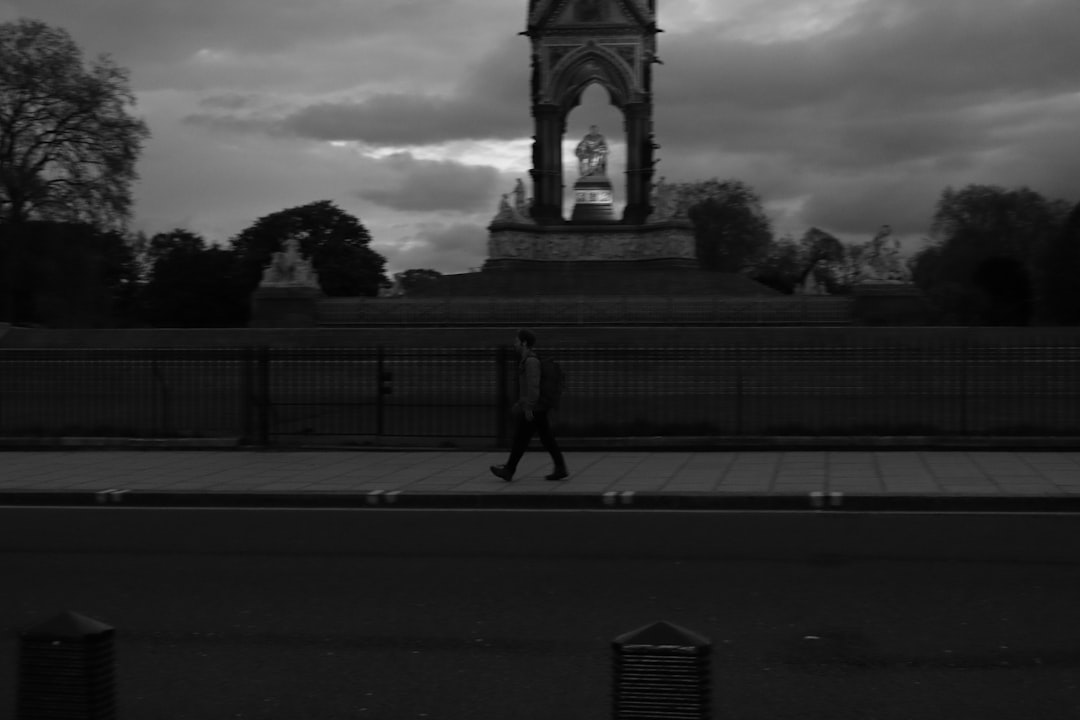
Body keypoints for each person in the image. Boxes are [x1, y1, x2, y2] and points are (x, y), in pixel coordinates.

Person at [490, 329, 569, 482]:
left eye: (516, 341)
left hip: (534, 408)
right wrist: (521, 403)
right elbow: (528, 388)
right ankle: (560, 468)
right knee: (544, 438)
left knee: (522, 438)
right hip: (535, 407)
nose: (514, 344)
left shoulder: (531, 361)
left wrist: (528, 407)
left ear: (524, 343)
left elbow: (533, 388)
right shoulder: (527, 360)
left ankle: (509, 470)